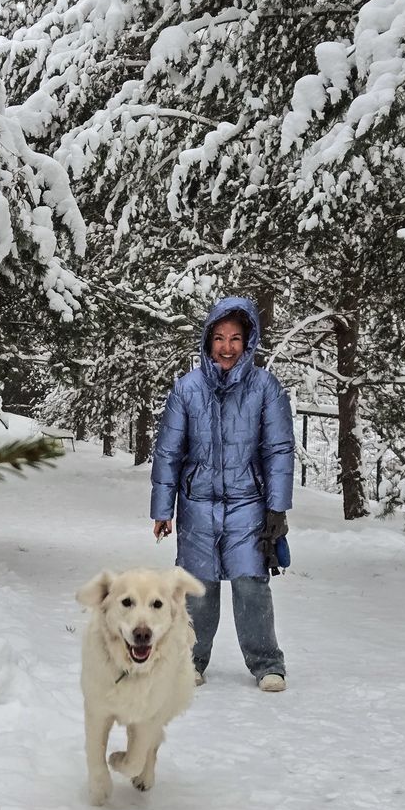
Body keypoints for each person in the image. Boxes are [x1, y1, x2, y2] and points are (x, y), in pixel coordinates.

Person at [150, 296, 295, 691]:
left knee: (251, 584)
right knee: (198, 587)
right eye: (218, 338)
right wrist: (163, 508)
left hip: (248, 506)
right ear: (207, 341)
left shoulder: (266, 388)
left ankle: (267, 664)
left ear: (248, 342)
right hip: (197, 505)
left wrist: (277, 508)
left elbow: (278, 450)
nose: (226, 347)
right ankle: (190, 661)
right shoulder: (187, 389)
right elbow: (168, 451)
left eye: (234, 338)